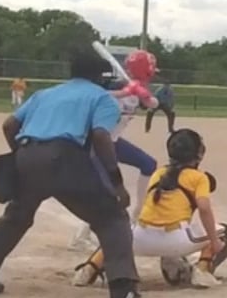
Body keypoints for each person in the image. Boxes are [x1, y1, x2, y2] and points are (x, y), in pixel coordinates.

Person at [0, 48, 143, 298]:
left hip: (27, 155)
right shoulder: (101, 97)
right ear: (100, 77)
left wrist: (23, 156)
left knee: (16, 216)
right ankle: (123, 290)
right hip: (65, 157)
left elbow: (9, 125)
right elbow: (101, 136)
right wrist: (116, 183)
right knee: (112, 218)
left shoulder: (44, 94)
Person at [73, 128, 227, 290]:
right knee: (225, 232)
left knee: (118, 235)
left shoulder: (159, 173)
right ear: (198, 154)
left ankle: (90, 268)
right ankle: (203, 270)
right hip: (175, 239)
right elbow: (204, 208)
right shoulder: (199, 177)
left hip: (140, 238)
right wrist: (214, 241)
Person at [65, 52, 160, 256]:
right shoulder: (114, 85)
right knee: (106, 192)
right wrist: (124, 92)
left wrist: (142, 94)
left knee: (149, 164)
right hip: (97, 143)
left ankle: (137, 216)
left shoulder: (140, 89)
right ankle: (80, 237)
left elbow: (154, 104)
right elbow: (95, 96)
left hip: (114, 142)